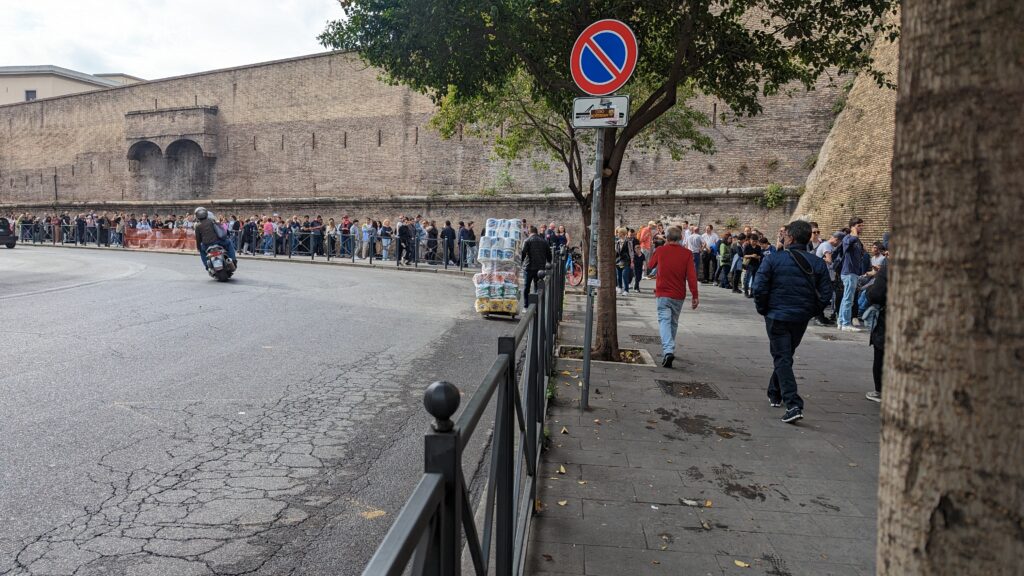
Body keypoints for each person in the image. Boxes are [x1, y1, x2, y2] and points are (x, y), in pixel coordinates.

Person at [752, 220, 832, 423]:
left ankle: (793, 403)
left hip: (777, 316)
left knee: (782, 356)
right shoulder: (817, 263)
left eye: (785, 235)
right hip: (799, 317)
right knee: (785, 354)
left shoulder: (773, 260)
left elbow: (759, 288)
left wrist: (764, 309)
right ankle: (774, 391)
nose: (783, 238)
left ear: (791, 237)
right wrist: (811, 311)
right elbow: (825, 294)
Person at [645, 226, 699, 368]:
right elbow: (692, 276)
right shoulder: (687, 254)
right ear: (681, 238)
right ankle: (669, 349)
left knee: (664, 320)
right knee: (673, 322)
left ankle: (668, 350)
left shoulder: (661, 250)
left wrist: (654, 248)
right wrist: (695, 295)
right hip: (678, 294)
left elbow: (650, 265)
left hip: (662, 292)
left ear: (667, 238)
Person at [838, 217, 867, 331]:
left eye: (862, 225)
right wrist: (854, 233)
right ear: (852, 227)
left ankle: (841, 322)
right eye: (859, 226)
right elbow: (848, 243)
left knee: (846, 298)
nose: (861, 228)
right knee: (848, 299)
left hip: (853, 272)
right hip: (849, 272)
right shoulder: (848, 238)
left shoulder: (857, 240)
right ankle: (846, 323)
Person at [864, 261, 887, 403]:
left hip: (888, 319)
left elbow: (876, 294)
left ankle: (881, 391)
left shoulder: (889, 268)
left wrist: (869, 291)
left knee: (881, 354)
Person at [520, 226, 551, 299]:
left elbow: (523, 253)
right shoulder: (544, 241)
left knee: (527, 287)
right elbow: (549, 254)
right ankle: (537, 307)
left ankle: (526, 305)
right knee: (537, 287)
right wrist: (548, 263)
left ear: (530, 232)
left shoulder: (527, 241)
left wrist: (520, 263)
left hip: (529, 267)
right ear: (536, 232)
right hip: (540, 268)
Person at [614, 227, 635, 295]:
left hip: (626, 261)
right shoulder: (617, 242)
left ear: (622, 233)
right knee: (619, 275)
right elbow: (616, 252)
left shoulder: (628, 242)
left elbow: (631, 252)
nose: (617, 234)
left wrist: (632, 261)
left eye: (618, 233)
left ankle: (626, 290)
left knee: (624, 275)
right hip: (618, 261)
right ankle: (620, 288)